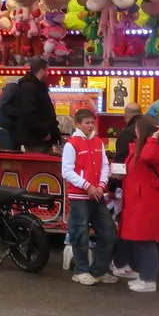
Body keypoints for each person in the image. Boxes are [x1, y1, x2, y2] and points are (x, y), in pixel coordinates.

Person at [61, 107, 117, 285]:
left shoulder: (98, 142)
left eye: (93, 122)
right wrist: (87, 186)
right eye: (87, 123)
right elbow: (67, 172)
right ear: (78, 124)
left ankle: (99, 270)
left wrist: (100, 185)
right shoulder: (71, 144)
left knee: (108, 231)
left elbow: (104, 166)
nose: (91, 126)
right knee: (79, 234)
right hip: (80, 196)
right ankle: (81, 271)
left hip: (97, 195)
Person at [120, 115, 159, 293]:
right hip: (138, 198)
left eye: (138, 128)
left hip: (146, 199)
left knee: (146, 241)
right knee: (140, 240)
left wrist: (154, 138)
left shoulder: (156, 149)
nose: (135, 131)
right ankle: (143, 276)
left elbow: (147, 157)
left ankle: (149, 280)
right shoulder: (141, 147)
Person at [109, 101, 143, 279]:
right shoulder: (148, 131)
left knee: (123, 226)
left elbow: (119, 165)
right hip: (140, 187)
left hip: (126, 186)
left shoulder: (126, 134)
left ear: (125, 115)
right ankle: (129, 264)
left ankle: (120, 263)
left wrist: (112, 187)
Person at [14, 58, 61, 153]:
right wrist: (43, 133)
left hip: (42, 138)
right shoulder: (29, 87)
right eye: (47, 70)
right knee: (39, 166)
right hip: (36, 140)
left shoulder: (38, 87)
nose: (48, 73)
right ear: (41, 70)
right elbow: (28, 115)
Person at [0, 78, 19, 151]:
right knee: (9, 156)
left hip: (10, 129)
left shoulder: (13, 87)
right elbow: (3, 106)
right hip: (7, 129)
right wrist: (20, 112)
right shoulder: (13, 87)